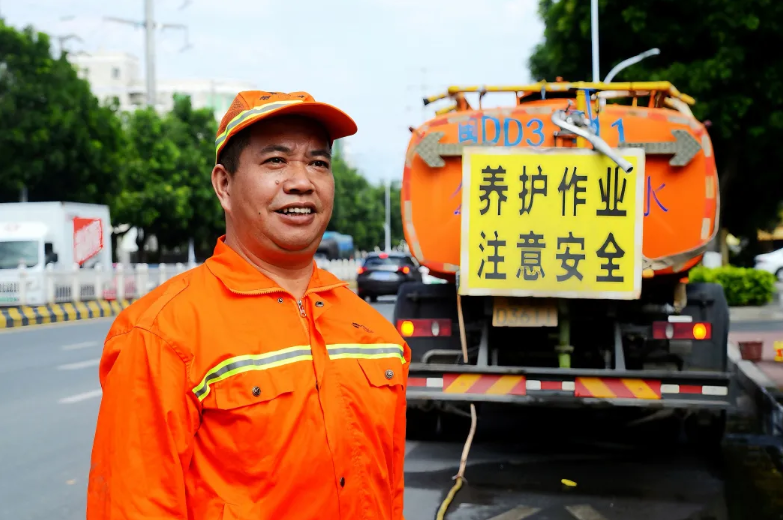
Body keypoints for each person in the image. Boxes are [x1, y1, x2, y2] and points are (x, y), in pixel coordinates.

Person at [86, 91, 410, 520]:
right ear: (224, 185)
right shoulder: (161, 334)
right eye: (276, 160)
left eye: (318, 163)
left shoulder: (376, 334)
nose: (301, 181)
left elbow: (388, 496)